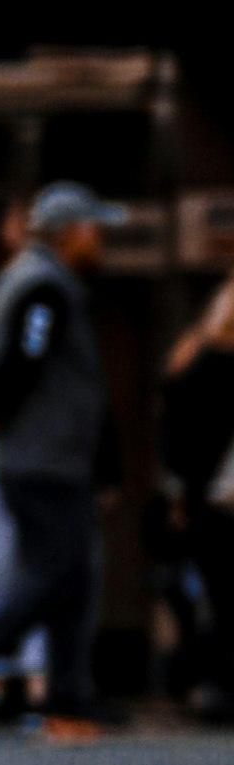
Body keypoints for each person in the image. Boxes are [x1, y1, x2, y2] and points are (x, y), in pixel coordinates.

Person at [0, 181, 114, 734]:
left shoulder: (38, 281)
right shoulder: (44, 287)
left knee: (73, 577)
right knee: (50, 570)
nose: (100, 242)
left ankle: (68, 689)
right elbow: (25, 360)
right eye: (94, 230)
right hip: (41, 455)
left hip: (52, 453)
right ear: (71, 233)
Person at [157, 263, 234, 716]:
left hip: (200, 497)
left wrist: (178, 490)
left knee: (218, 595)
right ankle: (207, 680)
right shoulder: (216, 365)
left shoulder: (192, 357)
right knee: (225, 597)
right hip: (217, 498)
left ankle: (195, 678)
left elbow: (174, 434)